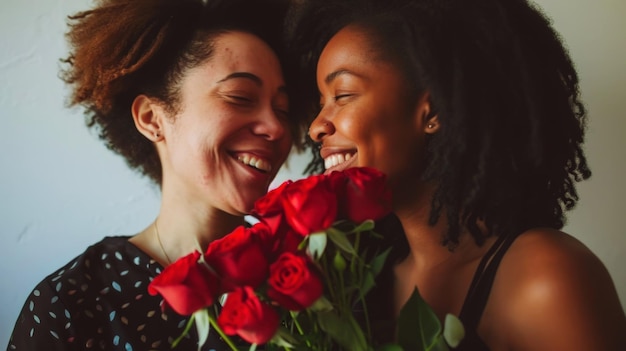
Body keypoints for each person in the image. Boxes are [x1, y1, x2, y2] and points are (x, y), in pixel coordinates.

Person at [286, 0, 626, 349]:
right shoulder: (356, 277)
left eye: (342, 95)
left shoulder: (546, 278)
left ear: (432, 111)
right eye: (320, 102)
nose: (316, 128)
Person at [7, 0, 304, 349]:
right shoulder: (71, 302)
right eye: (240, 97)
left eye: (283, 110)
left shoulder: (316, 274)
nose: (275, 127)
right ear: (151, 118)